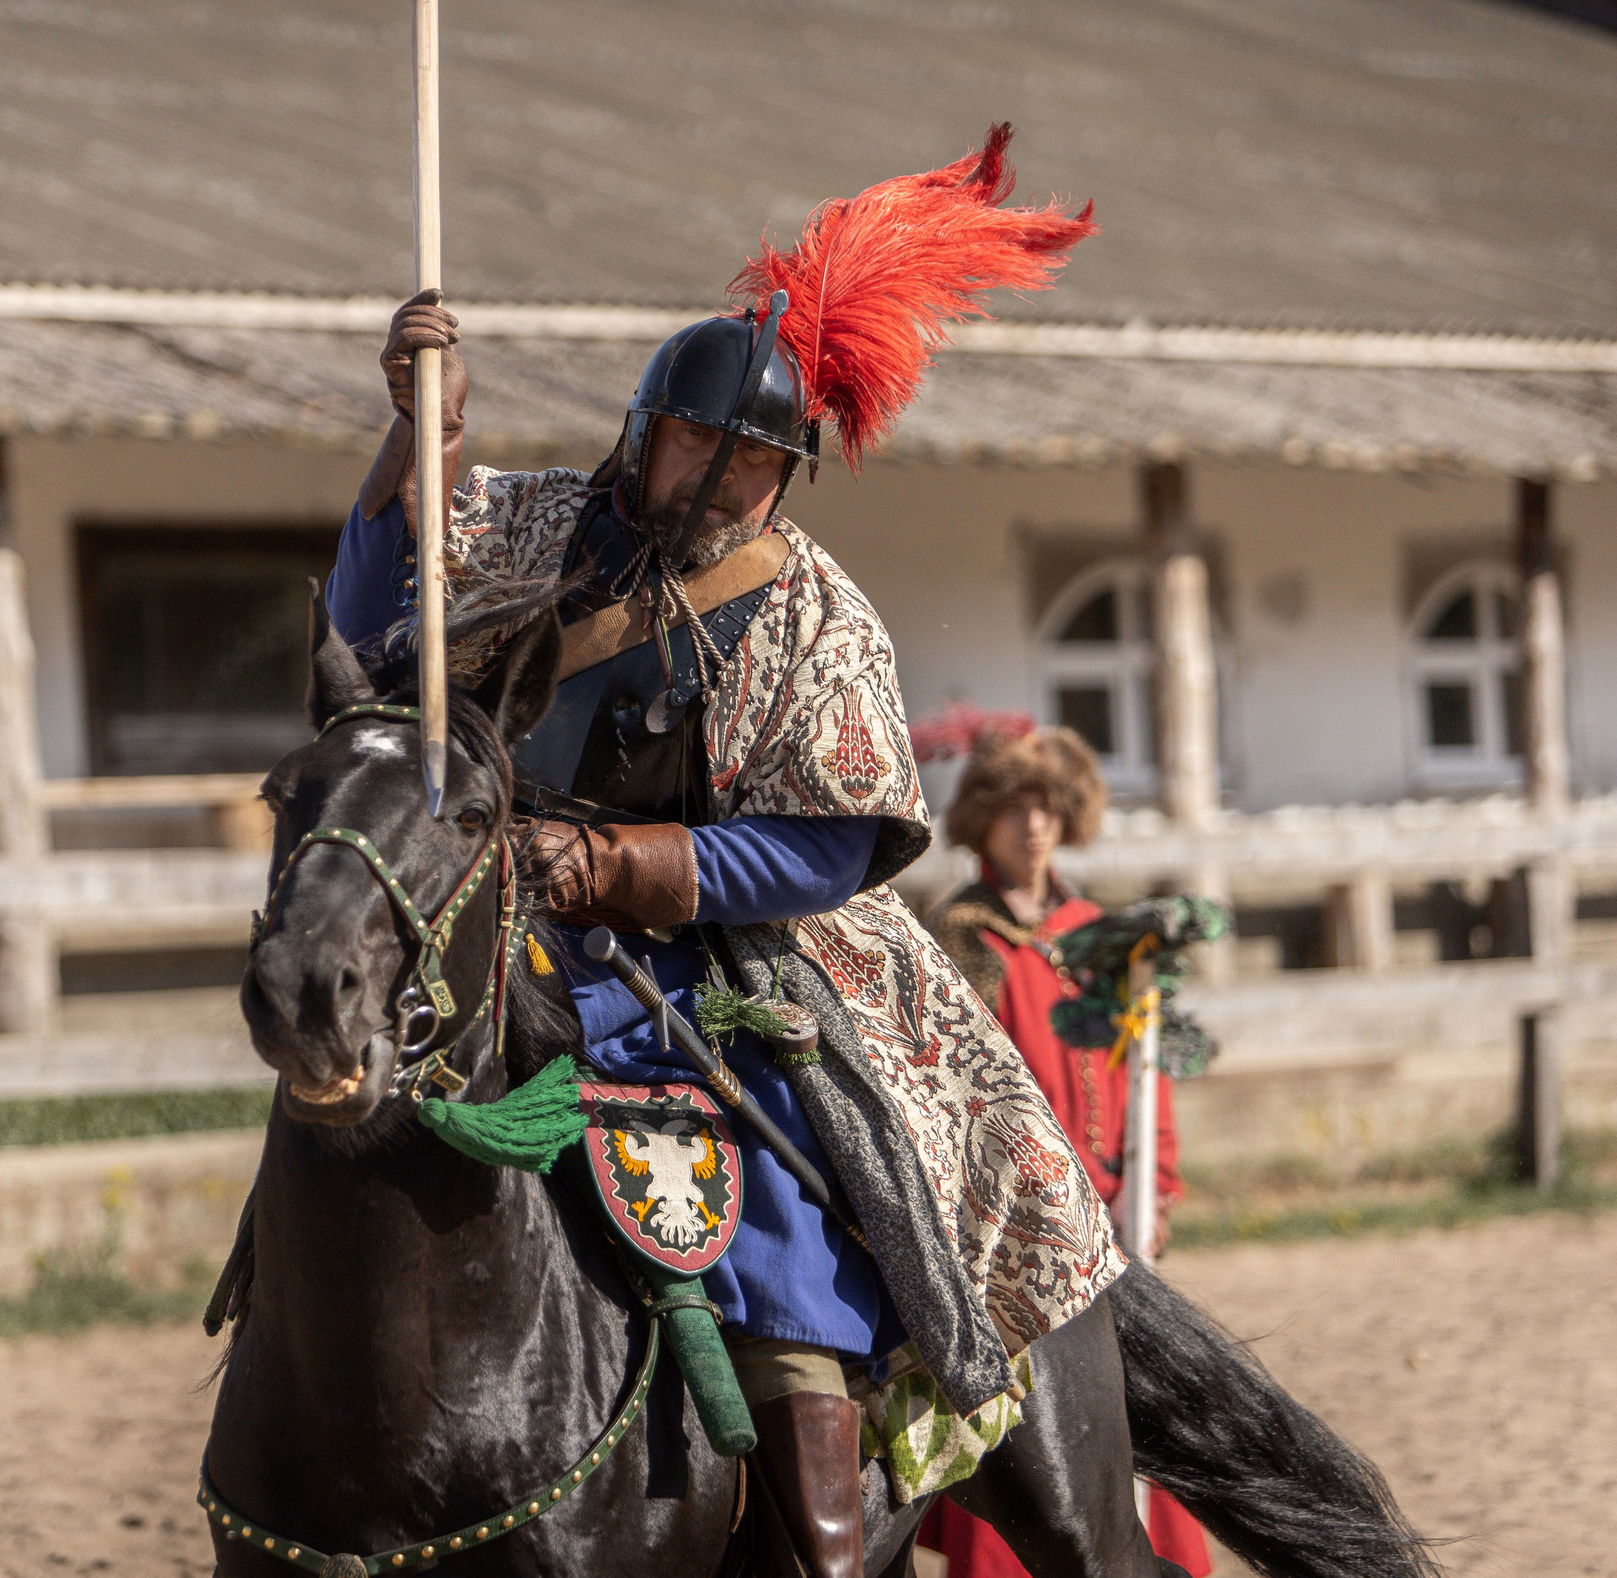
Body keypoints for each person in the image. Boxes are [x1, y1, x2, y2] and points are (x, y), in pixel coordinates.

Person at [325, 127, 1125, 1578]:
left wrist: (618, 865)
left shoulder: (820, 613)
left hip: (714, 962)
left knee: (778, 1166)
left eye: (759, 461)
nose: (723, 479)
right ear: (646, 429)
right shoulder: (545, 521)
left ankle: (815, 1454)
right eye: (702, 442)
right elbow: (387, 615)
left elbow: (829, 844)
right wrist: (423, 431)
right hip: (498, 919)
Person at [921, 726, 1212, 1577]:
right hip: (1019, 1241)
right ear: (982, 821)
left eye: (1047, 806)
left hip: (1119, 1231)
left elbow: (1144, 1080)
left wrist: (1152, 1190)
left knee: (1143, 1431)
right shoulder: (958, 941)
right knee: (1033, 1444)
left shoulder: (1108, 940)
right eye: (1015, 807)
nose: (1034, 825)